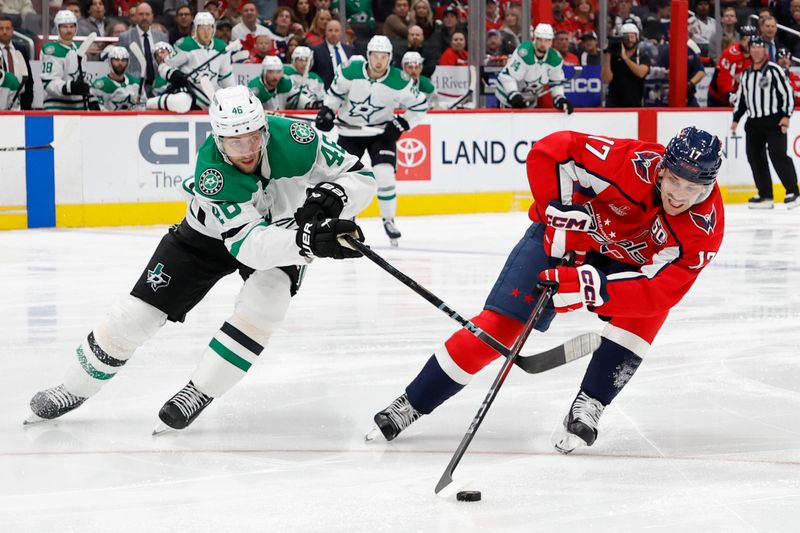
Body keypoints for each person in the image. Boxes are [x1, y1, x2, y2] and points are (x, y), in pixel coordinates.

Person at [27, 85, 376, 433]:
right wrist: (308, 240)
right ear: (218, 139)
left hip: (283, 233)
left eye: (253, 139)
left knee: (266, 304)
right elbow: (249, 245)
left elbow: (362, 176)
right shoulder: (213, 175)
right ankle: (72, 388)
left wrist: (336, 195)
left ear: (265, 128)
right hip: (207, 238)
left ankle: (201, 390)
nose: (247, 151)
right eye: (235, 143)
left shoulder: (299, 138)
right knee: (136, 314)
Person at [366, 126, 726, 455]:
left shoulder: (703, 229)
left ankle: (590, 402)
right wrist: (556, 208)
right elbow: (552, 149)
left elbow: (660, 289)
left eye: (693, 189)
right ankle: (412, 402)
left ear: (708, 186)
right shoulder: (628, 164)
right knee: (501, 326)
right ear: (663, 169)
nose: (679, 195)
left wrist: (589, 286)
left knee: (646, 313)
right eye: (675, 181)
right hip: (566, 239)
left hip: (625, 266)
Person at [315, 35, 428, 246]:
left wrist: (401, 124)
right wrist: (328, 111)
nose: (379, 61)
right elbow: (335, 94)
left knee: (385, 175)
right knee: (345, 180)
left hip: (381, 135)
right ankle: (347, 218)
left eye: (383, 56)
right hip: (350, 134)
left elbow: (420, 107)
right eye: (375, 56)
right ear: (368, 55)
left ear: (390, 58)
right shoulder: (351, 69)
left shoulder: (400, 80)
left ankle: (388, 220)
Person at [731, 37, 800, 209]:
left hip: (774, 120)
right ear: (750, 50)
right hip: (754, 122)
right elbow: (742, 100)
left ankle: (793, 192)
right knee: (755, 157)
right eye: (753, 47)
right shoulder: (746, 74)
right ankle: (765, 195)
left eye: (760, 47)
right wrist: (735, 120)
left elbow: (787, 94)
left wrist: (786, 116)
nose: (756, 51)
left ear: (764, 50)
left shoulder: (774, 70)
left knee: (778, 155)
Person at [158, 11, 234, 109]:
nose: (206, 32)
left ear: (213, 29)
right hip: (189, 94)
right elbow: (164, 66)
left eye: (209, 27)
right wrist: (173, 74)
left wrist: (233, 95)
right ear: (195, 29)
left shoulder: (221, 47)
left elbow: (226, 78)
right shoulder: (185, 45)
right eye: (202, 28)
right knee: (179, 103)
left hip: (211, 98)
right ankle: (149, 104)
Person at [495, 23, 573, 114]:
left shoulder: (554, 58)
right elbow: (508, 76)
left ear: (551, 42)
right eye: (540, 39)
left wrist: (560, 98)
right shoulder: (525, 52)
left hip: (529, 101)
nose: (543, 44)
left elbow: (556, 83)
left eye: (547, 40)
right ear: (535, 39)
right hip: (506, 98)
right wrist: (513, 94)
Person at [41, 9, 100, 111]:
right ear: (58, 28)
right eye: (64, 27)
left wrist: (91, 98)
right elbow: (49, 83)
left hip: (79, 107)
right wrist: (70, 87)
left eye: (72, 26)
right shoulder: (51, 50)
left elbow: (83, 78)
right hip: (56, 107)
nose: (69, 30)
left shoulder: (79, 48)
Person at [117, 2, 167, 97]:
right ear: (135, 16)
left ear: (152, 16)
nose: (144, 17)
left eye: (147, 14)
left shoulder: (162, 36)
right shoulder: (125, 37)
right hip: (135, 86)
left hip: (159, 85)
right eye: (141, 14)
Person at [602, 22, 651, 107]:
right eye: (626, 37)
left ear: (637, 38)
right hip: (614, 103)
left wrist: (625, 58)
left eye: (632, 37)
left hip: (635, 102)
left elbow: (641, 73)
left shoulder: (642, 55)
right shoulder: (613, 56)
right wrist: (607, 55)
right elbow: (606, 79)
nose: (629, 40)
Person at [707, 25, 755, 107]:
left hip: (742, 96)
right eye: (744, 39)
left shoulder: (761, 55)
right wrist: (730, 94)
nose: (747, 43)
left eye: (750, 40)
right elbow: (723, 78)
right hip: (718, 97)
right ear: (740, 40)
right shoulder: (730, 53)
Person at [91, 45, 144, 110]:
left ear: (128, 62)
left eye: (123, 60)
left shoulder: (136, 83)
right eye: (116, 60)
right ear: (109, 61)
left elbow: (143, 106)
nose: (120, 63)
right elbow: (96, 111)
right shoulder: (100, 85)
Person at [0, 15, 32, 110]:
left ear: (12, 30)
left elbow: (29, 81)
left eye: (7, 28)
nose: (5, 32)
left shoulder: (21, 49)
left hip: (20, 104)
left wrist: (26, 107)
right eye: (1, 28)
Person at [311, 18, 354, 88]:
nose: (333, 34)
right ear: (325, 32)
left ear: (341, 33)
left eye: (336, 30)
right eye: (330, 30)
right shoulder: (317, 51)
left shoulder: (350, 50)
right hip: (326, 92)